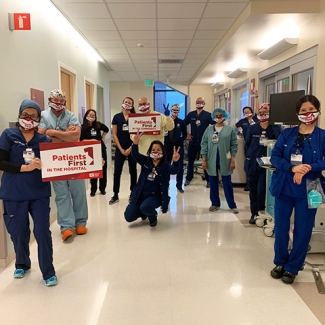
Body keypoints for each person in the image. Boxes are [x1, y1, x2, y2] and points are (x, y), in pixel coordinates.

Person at [0, 99, 57, 286]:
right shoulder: (8, 135)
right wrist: (26, 168)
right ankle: (22, 264)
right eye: (26, 114)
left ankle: (48, 271)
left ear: (39, 118)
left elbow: (59, 162)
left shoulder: (44, 139)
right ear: (19, 115)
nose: (29, 118)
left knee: (42, 231)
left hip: (39, 192)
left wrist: (92, 163)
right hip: (14, 192)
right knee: (19, 232)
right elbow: (1, 162)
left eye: (34, 116)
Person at [269, 94, 325, 284]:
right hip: (285, 186)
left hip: (309, 189)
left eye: (311, 110)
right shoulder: (287, 134)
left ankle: (293, 267)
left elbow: (323, 161)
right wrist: (291, 167)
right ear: (297, 113)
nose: (307, 113)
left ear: (317, 111)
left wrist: (310, 167)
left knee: (303, 229)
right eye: (303, 111)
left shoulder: (322, 136)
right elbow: (275, 156)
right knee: (281, 226)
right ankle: (280, 262)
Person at [38, 89, 88, 242]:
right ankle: (67, 226)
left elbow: (76, 136)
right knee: (61, 194)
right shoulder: (43, 116)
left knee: (78, 191)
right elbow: (41, 137)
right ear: (49, 100)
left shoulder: (71, 115)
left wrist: (52, 133)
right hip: (54, 161)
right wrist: (64, 135)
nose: (58, 103)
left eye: (61, 101)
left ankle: (81, 222)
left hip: (73, 159)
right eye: (55, 100)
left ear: (65, 102)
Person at [124, 134, 180, 227]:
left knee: (145, 207)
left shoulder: (165, 165)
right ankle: (144, 212)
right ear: (150, 151)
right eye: (153, 150)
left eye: (158, 150)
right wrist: (135, 144)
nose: (155, 152)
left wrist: (175, 161)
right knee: (128, 216)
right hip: (141, 194)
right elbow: (135, 155)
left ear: (162, 152)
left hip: (155, 196)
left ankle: (152, 216)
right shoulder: (146, 161)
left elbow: (174, 170)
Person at [244, 102, 281, 224]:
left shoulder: (275, 128)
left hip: (268, 165)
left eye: (265, 113)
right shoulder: (253, 128)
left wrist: (274, 125)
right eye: (260, 113)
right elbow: (247, 144)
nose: (262, 115)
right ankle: (254, 213)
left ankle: (264, 212)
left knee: (263, 190)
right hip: (254, 164)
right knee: (253, 190)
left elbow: (280, 143)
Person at [201, 108, 239, 213]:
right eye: (216, 116)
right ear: (213, 117)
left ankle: (232, 205)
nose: (218, 118)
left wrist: (233, 160)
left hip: (226, 159)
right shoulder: (209, 130)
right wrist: (204, 159)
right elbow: (204, 143)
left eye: (220, 116)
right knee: (213, 182)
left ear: (224, 116)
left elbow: (234, 145)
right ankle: (215, 204)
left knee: (227, 183)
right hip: (211, 159)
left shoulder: (229, 129)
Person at [109, 97, 137, 205]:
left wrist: (130, 148)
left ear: (132, 106)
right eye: (125, 102)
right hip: (119, 148)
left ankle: (133, 193)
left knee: (133, 171)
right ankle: (115, 194)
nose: (127, 104)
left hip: (132, 148)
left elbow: (137, 134)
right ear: (122, 103)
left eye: (129, 103)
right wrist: (121, 149)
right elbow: (114, 134)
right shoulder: (117, 117)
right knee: (117, 172)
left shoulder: (134, 117)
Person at [184, 97, 214, 187]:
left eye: (201, 102)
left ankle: (208, 180)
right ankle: (189, 178)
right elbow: (183, 124)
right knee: (190, 161)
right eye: (197, 102)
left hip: (204, 142)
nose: (199, 103)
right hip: (193, 142)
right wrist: (187, 134)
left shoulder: (208, 115)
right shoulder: (191, 114)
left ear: (204, 103)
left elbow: (215, 125)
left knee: (206, 161)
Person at [80, 109, 109, 197]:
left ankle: (102, 188)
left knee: (103, 168)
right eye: (90, 115)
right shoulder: (83, 127)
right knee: (94, 170)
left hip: (101, 148)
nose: (92, 117)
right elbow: (82, 140)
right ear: (86, 116)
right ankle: (93, 189)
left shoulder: (98, 125)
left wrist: (102, 137)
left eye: (93, 115)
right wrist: (92, 141)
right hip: (90, 151)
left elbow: (106, 129)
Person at [164, 104, 187, 193]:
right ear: (171, 110)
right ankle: (166, 184)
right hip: (167, 147)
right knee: (167, 165)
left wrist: (179, 140)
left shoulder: (181, 122)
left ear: (179, 112)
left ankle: (179, 185)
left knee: (179, 166)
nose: (175, 112)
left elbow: (184, 134)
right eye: (173, 110)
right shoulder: (166, 121)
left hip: (178, 147)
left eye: (177, 110)